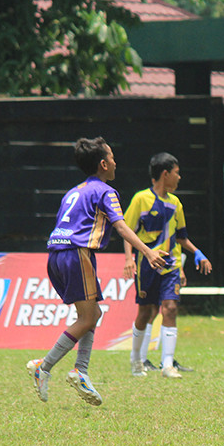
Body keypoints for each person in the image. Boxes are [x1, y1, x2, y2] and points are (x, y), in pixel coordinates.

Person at [27, 137, 166, 405]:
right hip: (77, 254)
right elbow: (122, 227)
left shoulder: (73, 191)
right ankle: (44, 367)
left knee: (92, 314)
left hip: (56, 254)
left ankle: (80, 371)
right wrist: (147, 252)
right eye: (112, 157)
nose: (116, 161)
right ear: (103, 164)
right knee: (88, 318)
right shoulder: (105, 191)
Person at [123, 152, 212, 379]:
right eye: (176, 173)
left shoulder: (176, 203)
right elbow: (127, 231)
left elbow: (181, 237)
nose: (179, 177)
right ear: (165, 174)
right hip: (147, 264)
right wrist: (128, 259)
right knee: (145, 312)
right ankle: (136, 361)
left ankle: (167, 365)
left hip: (171, 266)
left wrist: (197, 252)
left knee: (170, 308)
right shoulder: (141, 199)